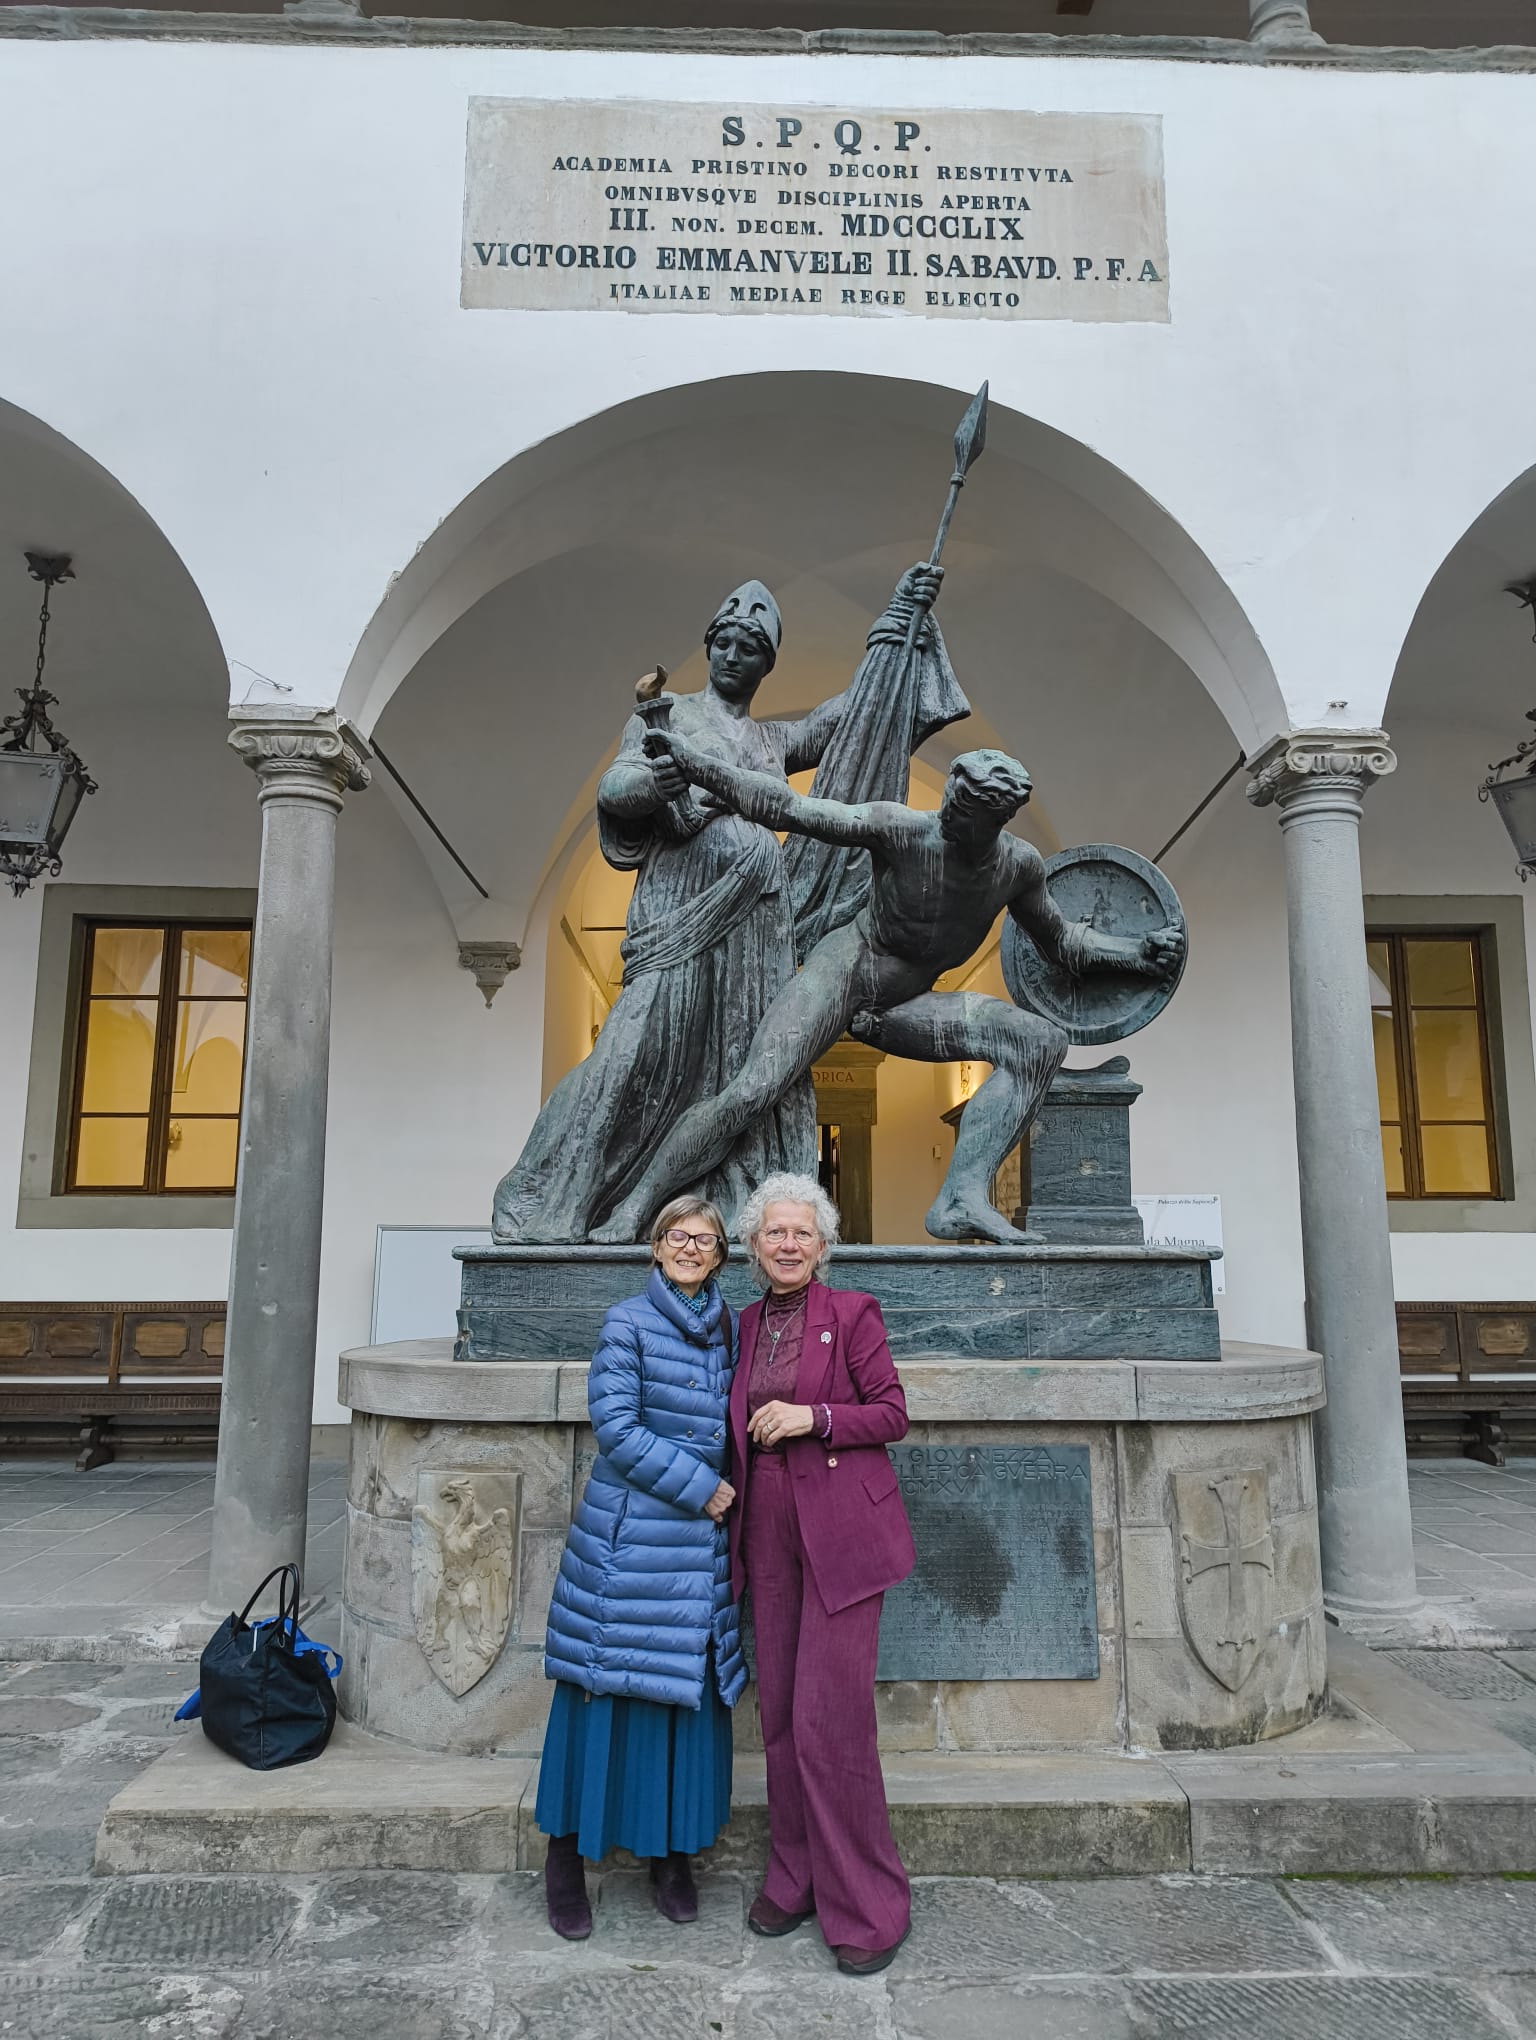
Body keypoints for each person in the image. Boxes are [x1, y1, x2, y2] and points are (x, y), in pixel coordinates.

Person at [491, 562, 967, 1243]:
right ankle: (547, 1203)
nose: (735, 655)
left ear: (766, 663)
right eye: (726, 642)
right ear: (710, 644)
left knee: (748, 1061)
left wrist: (895, 632)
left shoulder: (772, 740)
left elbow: (849, 716)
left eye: (751, 648)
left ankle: (736, 1206)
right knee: (635, 1053)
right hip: (679, 911)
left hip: (756, 922)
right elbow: (616, 792)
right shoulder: (670, 716)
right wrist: (654, 783)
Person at [595, 745, 1185, 1247]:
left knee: (1040, 1041)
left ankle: (960, 1197)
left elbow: (1061, 942)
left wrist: (1135, 952)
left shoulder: (1017, 868)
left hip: (906, 1004)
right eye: (950, 802)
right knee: (751, 1090)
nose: (948, 817)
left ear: (996, 820)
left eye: (965, 812)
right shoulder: (902, 829)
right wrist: (695, 766)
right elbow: (789, 807)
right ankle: (637, 1204)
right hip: (848, 970)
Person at [535, 1196, 745, 1939]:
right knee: (604, 1692)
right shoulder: (627, 1321)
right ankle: (564, 1861)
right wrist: (703, 1487)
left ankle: (671, 1856)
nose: (692, 1248)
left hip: (700, 1549)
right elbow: (616, 1428)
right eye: (678, 1237)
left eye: (706, 1240)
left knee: (683, 1698)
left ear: (722, 1255)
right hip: (631, 1543)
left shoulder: (730, 1326)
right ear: (655, 1247)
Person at [729, 1173, 915, 1975]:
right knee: (777, 1716)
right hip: (765, 1521)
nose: (790, 1244)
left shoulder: (853, 1313)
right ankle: (796, 1873)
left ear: (824, 1244)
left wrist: (815, 1418)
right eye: (776, 1232)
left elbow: (893, 1413)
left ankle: (867, 1904)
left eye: (804, 1232)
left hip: (841, 1522)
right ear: (753, 1245)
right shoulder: (737, 1326)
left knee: (829, 1720)